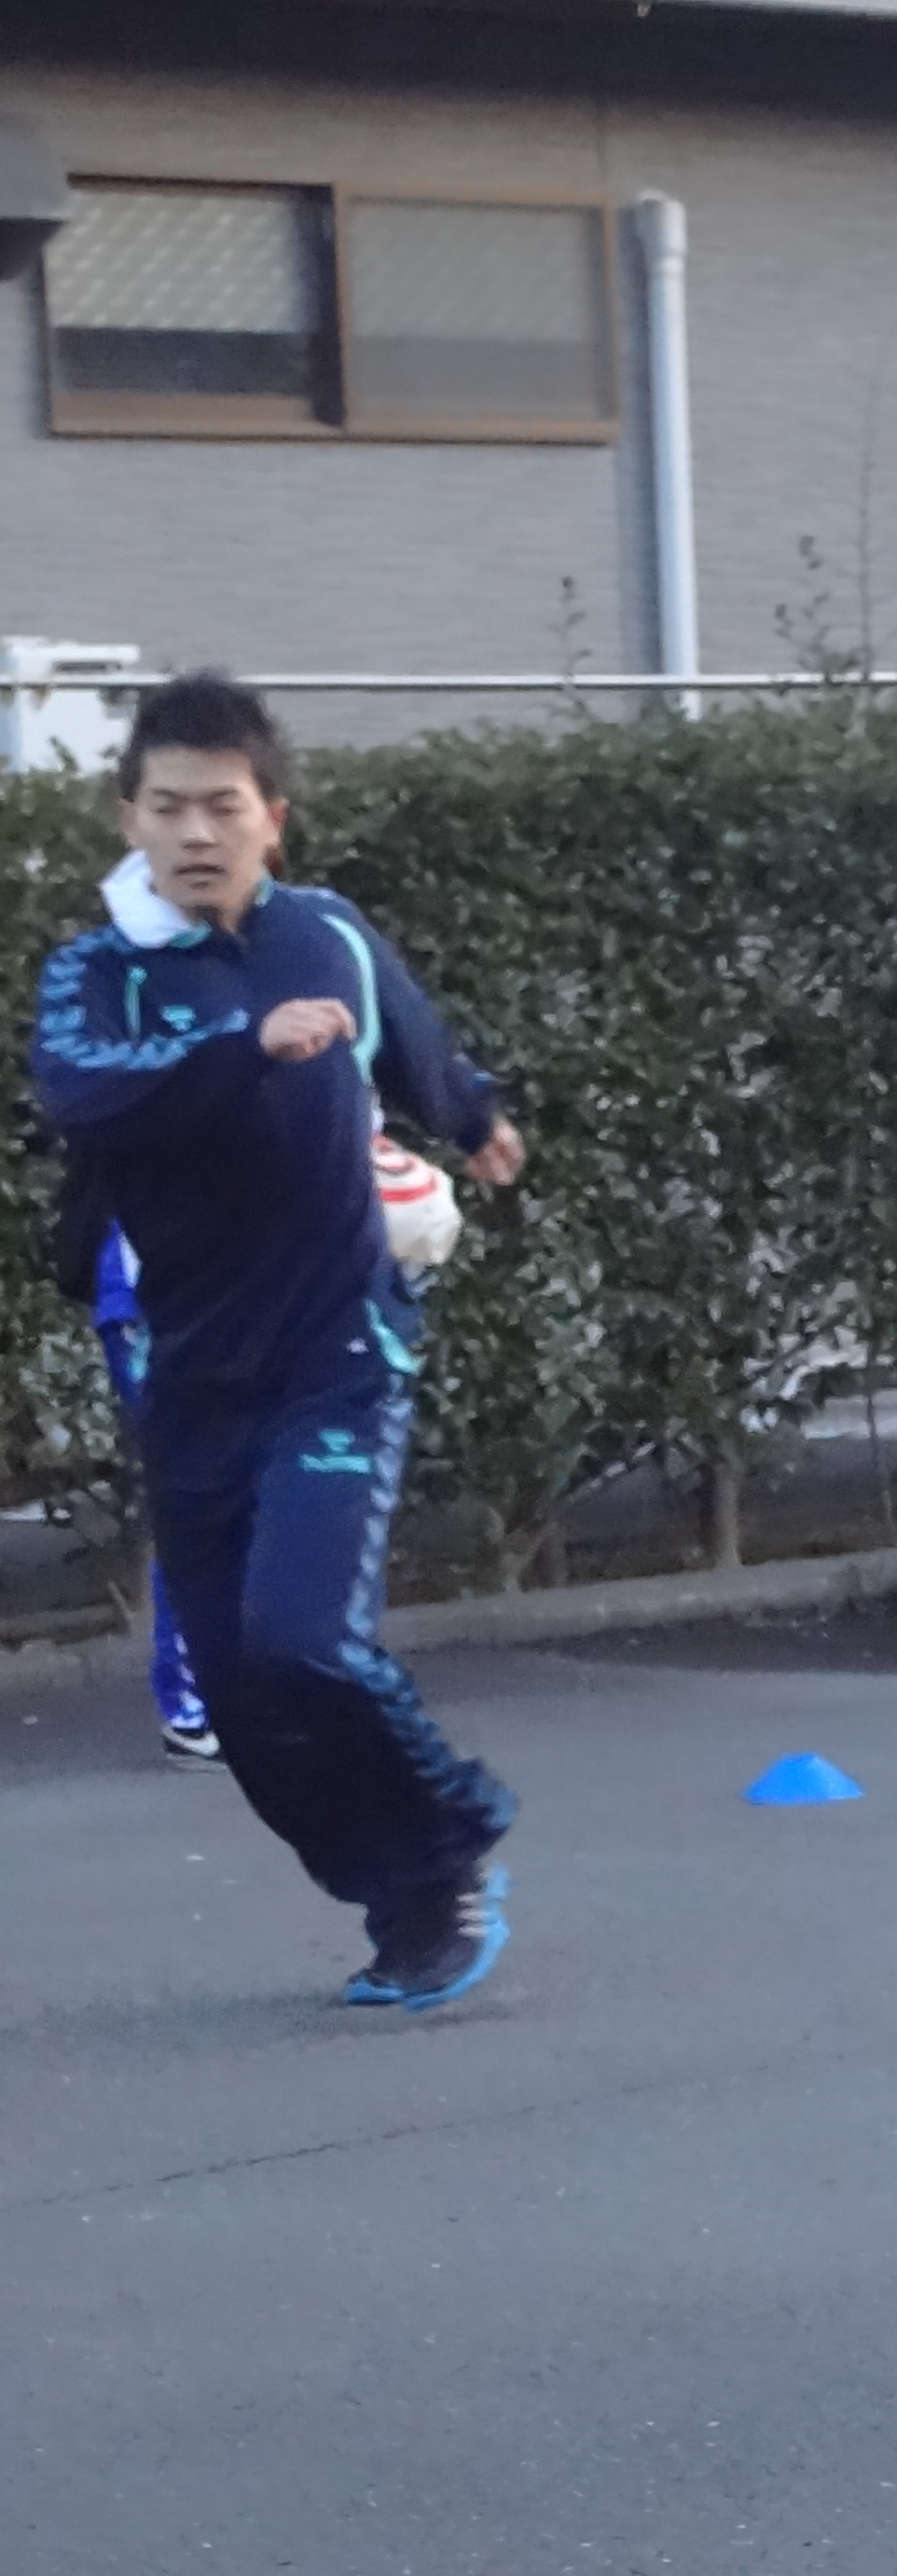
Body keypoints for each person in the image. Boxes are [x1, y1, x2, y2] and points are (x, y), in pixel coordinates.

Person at [28, 675, 525, 2007]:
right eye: (168, 807)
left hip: (339, 1352)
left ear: (272, 820)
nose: (197, 832)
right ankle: (397, 1896)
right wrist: (247, 1047)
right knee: (243, 1700)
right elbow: (89, 1097)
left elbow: (408, 1033)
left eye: (223, 806)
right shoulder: (97, 976)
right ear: (129, 818)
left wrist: (471, 1115)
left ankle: (451, 1850)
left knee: (306, 1641)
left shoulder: (328, 933)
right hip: (193, 1370)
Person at [74, 1218, 220, 1764]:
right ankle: (190, 1710)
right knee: (197, 1506)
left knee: (225, 1501)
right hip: (157, 1309)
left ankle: (211, 1702)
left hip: (185, 1306)